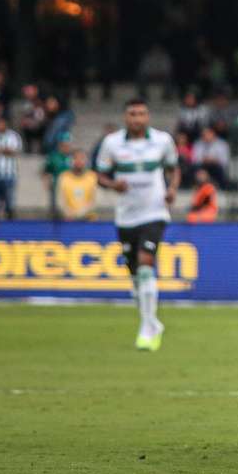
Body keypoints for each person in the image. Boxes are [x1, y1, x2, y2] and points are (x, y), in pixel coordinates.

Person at [95, 98, 180, 351]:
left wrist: (172, 189)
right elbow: (100, 175)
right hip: (126, 216)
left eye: (141, 113)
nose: (137, 118)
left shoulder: (162, 141)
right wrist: (113, 185)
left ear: (148, 116)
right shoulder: (112, 143)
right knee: (135, 278)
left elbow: (173, 169)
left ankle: (146, 328)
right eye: (132, 114)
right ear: (125, 117)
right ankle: (152, 322)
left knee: (145, 265)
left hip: (154, 212)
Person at [0, 112, 22, 220]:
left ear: (6, 123)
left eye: (1, 122)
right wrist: (4, 150)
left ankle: (10, 225)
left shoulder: (13, 136)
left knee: (9, 202)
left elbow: (13, 151)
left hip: (8, 175)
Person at [58, 148, 98, 220]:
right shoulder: (63, 177)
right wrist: (68, 212)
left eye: (82, 158)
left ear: (87, 161)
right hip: (68, 220)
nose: (79, 161)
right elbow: (60, 201)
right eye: (75, 158)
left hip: (89, 220)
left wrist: (81, 213)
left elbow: (94, 201)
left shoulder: (92, 176)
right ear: (70, 161)